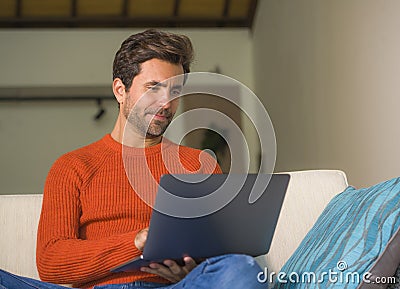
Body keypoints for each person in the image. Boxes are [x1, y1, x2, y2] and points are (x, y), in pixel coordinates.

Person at [0, 29, 267, 289]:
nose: (165, 103)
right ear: (120, 90)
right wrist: (137, 243)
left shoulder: (200, 164)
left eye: (174, 92)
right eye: (153, 88)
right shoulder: (72, 166)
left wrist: (192, 270)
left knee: (243, 269)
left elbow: (220, 251)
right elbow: (51, 262)